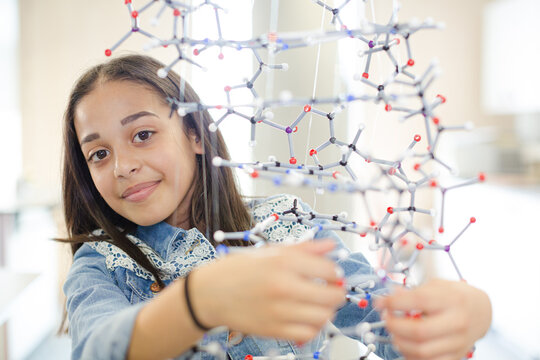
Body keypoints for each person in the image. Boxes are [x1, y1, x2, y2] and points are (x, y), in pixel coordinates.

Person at [60, 54, 492, 360]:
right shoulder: (100, 265)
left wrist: (463, 318)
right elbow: (97, 349)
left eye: (142, 135)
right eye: (98, 154)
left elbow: (386, 321)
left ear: (194, 134)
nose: (123, 166)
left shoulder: (284, 225)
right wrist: (198, 301)